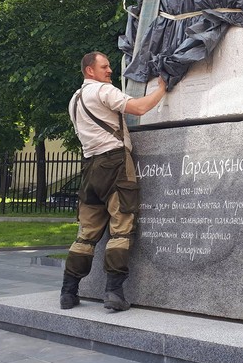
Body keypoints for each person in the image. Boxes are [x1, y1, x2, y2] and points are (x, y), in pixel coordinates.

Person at [61, 51, 167, 311]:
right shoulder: (103, 91)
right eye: (105, 67)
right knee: (121, 228)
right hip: (115, 163)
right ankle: (114, 293)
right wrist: (162, 89)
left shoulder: (75, 99)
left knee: (86, 234)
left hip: (90, 168)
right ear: (90, 71)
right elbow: (139, 108)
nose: (110, 71)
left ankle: (68, 292)